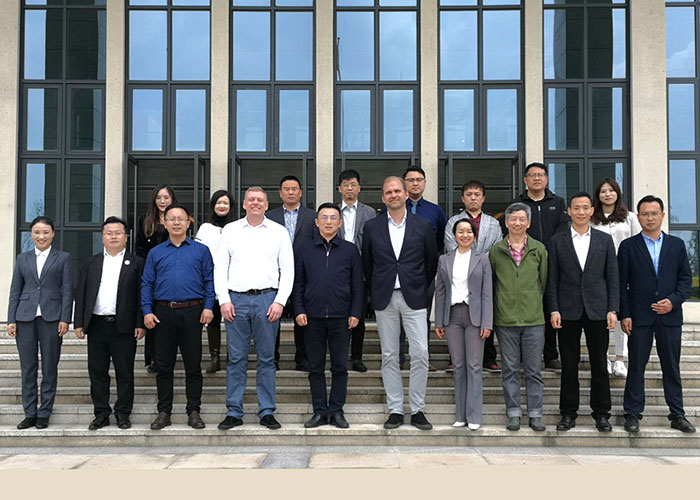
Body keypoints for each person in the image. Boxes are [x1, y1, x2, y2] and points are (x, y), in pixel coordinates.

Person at [362, 176, 438, 430]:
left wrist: (419, 286)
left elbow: (431, 262)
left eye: (397, 191)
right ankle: (395, 409)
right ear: (383, 198)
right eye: (388, 192)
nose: (393, 195)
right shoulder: (372, 227)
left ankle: (417, 409)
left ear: (406, 194)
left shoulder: (423, 225)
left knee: (421, 353)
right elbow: (367, 264)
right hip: (385, 298)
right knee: (389, 355)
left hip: (414, 297)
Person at [215, 187, 294, 431]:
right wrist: (223, 300)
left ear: (267, 205)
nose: (255, 203)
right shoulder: (230, 230)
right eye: (251, 200)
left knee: (267, 359)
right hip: (236, 301)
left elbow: (287, 269)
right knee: (236, 359)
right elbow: (220, 267)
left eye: (260, 200)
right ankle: (234, 411)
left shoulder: (278, 232)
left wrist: (280, 301)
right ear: (244, 204)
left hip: (267, 300)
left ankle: (267, 410)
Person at [619, 195, 695, 434]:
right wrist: (625, 314)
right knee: (636, 366)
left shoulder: (676, 245)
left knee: (671, 366)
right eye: (644, 214)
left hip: (669, 316)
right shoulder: (628, 246)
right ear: (638, 217)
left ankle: (677, 414)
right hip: (639, 316)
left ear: (662, 215)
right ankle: (632, 413)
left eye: (654, 213)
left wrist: (673, 302)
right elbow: (621, 285)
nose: (649, 218)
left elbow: (685, 280)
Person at [547, 192, 619, 432]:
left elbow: (612, 277)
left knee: (599, 364)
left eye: (585, 207)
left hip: (598, 309)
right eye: (576, 208)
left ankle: (602, 414)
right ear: (569, 211)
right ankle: (568, 414)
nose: (580, 212)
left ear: (592, 211)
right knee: (569, 365)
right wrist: (554, 309)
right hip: (567, 311)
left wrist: (613, 309)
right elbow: (552, 280)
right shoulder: (557, 241)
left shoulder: (604, 240)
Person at [141, 204, 215, 431]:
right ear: (164, 223)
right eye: (171, 219)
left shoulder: (201, 250)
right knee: (164, 366)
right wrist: (147, 310)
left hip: (193, 312)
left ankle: (193, 411)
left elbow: (209, 280)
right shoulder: (156, 253)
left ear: (188, 222)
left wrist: (208, 307)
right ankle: (164, 412)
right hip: (162, 313)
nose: (176, 222)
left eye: (180, 219)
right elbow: (147, 283)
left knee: (193, 365)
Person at [294, 203, 364, 429]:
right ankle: (319, 411)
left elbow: (357, 285)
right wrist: (299, 309)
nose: (328, 221)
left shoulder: (350, 250)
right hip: (312, 317)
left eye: (333, 217)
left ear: (340, 223)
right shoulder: (304, 250)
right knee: (315, 367)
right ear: (316, 222)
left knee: (340, 367)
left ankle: (336, 411)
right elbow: (298, 283)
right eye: (324, 217)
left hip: (341, 317)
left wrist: (355, 312)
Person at [73, 216, 146, 430]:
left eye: (118, 233)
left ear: (126, 237)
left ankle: (123, 413)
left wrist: (140, 323)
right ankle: (101, 413)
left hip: (123, 326)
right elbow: (81, 293)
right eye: (108, 233)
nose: (113, 236)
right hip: (96, 325)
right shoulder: (91, 262)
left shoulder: (136, 263)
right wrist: (79, 322)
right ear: (102, 237)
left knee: (125, 373)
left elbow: (141, 295)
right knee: (97, 372)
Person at [8, 216, 73, 430]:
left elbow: (67, 291)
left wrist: (65, 318)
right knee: (28, 368)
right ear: (31, 235)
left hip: (52, 318)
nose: (41, 236)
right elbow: (15, 290)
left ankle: (44, 412)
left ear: (53, 233)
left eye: (45, 232)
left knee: (49, 367)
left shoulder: (63, 258)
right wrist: (11, 319)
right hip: (24, 317)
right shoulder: (23, 258)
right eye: (37, 232)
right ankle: (30, 413)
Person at [489, 203, 547, 432]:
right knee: (510, 369)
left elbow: (543, 281)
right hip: (505, 320)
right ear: (506, 222)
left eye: (522, 219)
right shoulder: (496, 251)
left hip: (534, 319)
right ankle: (513, 412)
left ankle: (536, 413)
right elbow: (492, 284)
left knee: (534, 370)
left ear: (529, 223)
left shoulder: (538, 249)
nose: (517, 223)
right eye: (513, 219)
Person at [434, 218, 493, 430]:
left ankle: (474, 416)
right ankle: (460, 415)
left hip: (474, 316)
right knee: (458, 366)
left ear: (474, 236)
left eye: (469, 231)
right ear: (454, 235)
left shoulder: (482, 259)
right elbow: (440, 291)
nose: (465, 235)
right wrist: (438, 320)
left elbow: (487, 293)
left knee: (474, 366)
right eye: (461, 231)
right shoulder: (444, 259)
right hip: (452, 317)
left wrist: (487, 322)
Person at [512, 162, 569, 371]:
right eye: (532, 175)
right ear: (525, 180)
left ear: (546, 178)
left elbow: (564, 228)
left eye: (540, 175)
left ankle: (551, 355)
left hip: (552, 261)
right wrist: (533, 249)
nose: (536, 178)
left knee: (549, 306)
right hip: (524, 262)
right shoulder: (518, 203)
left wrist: (547, 249)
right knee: (524, 306)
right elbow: (514, 228)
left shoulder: (558, 202)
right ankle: (521, 355)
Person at [444, 180, 503, 373]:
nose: (473, 198)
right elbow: (451, 246)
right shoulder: (453, 222)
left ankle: (488, 357)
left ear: (483, 198)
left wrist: (479, 264)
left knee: (485, 314)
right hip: (459, 276)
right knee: (457, 318)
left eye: (477, 194)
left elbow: (496, 248)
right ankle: (455, 357)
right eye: (469, 194)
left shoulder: (493, 223)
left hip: (485, 274)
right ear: (463, 198)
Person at [590, 178, 642, 378]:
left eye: (611, 190)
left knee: (622, 313)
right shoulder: (592, 217)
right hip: (598, 271)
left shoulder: (629, 217)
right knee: (601, 315)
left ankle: (620, 358)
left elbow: (638, 242)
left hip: (624, 269)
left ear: (618, 193)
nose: (607, 194)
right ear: (598, 195)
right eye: (603, 191)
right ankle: (603, 356)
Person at [266, 175, 317, 372]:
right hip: (275, 274)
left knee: (302, 317)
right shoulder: (270, 217)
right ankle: (273, 357)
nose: (290, 192)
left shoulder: (312, 216)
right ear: (280, 193)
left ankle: (302, 358)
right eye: (286, 189)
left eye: (294, 189)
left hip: (303, 274)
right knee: (273, 317)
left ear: (300, 192)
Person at [399, 166, 446, 372]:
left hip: (424, 272)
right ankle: (398, 358)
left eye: (419, 179)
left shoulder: (435, 211)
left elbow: (439, 241)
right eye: (410, 180)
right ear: (404, 184)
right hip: (398, 271)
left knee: (422, 316)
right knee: (397, 316)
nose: (415, 183)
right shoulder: (395, 208)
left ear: (425, 183)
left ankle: (422, 359)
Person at [135, 184, 177, 373]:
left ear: (172, 199)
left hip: (172, 272)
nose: (162, 201)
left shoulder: (176, 219)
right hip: (151, 273)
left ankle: (169, 356)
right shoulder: (145, 220)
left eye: (166, 197)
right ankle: (153, 358)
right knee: (152, 315)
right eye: (159, 197)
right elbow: (139, 247)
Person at [338, 169, 376, 373]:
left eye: (353, 184)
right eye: (346, 185)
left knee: (358, 316)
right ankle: (340, 356)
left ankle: (357, 357)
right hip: (336, 271)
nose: (350, 188)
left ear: (359, 188)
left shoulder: (369, 213)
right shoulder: (333, 211)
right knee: (339, 315)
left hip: (360, 270)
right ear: (339, 189)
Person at [195, 190, 236, 373]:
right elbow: (199, 253)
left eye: (225, 203)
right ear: (213, 206)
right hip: (210, 279)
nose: (222, 206)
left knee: (233, 319)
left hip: (233, 280)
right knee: (213, 320)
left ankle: (232, 357)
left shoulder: (237, 227)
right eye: (218, 203)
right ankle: (215, 357)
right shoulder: (205, 228)